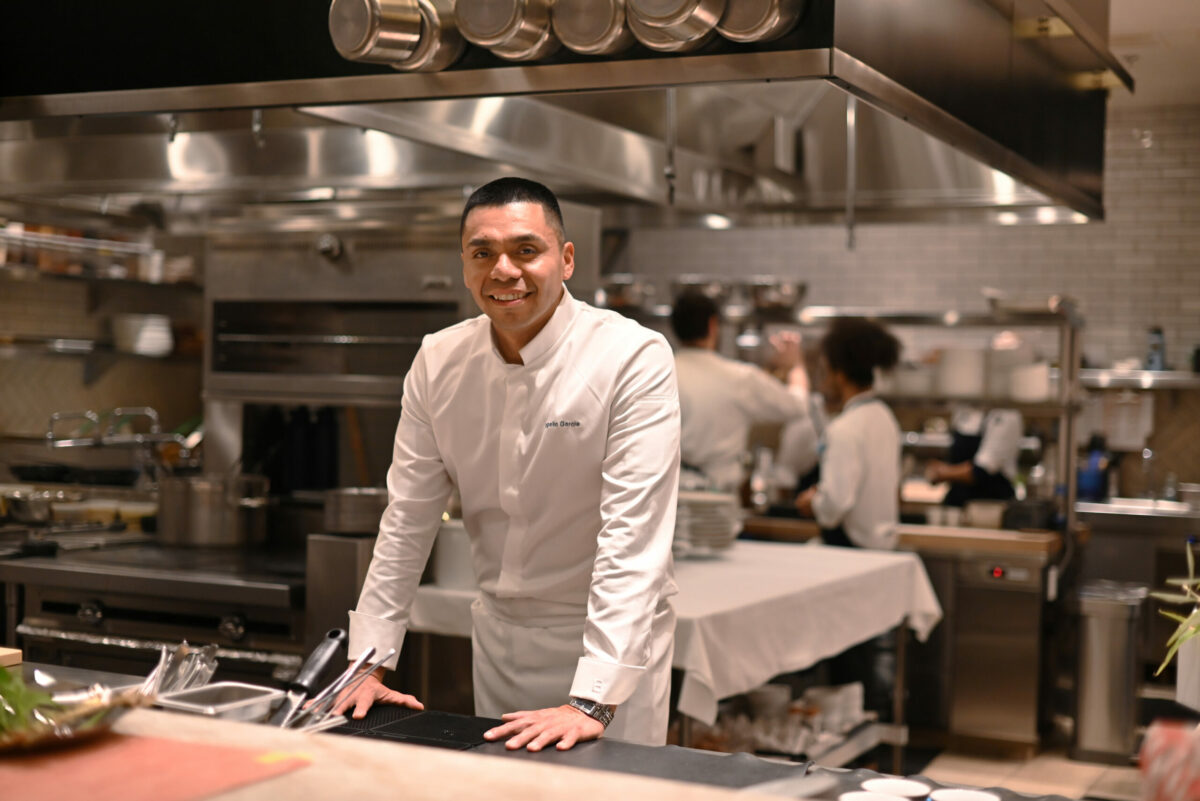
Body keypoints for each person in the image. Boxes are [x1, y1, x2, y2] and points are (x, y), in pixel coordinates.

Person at [332, 177, 681, 751]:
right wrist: (367, 663)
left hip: (609, 655)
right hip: (498, 636)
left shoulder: (631, 356)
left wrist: (591, 698)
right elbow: (408, 519)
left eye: (525, 250)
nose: (503, 270)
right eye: (482, 253)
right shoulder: (439, 359)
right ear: (465, 265)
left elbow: (633, 538)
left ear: (565, 260)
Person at [671, 289, 812, 492]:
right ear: (713, 325)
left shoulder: (662, 372)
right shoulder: (739, 377)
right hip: (718, 496)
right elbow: (798, 406)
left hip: (670, 494)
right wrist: (795, 365)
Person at [794, 317, 902, 550]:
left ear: (840, 374)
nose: (824, 381)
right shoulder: (884, 416)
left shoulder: (845, 428)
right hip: (883, 549)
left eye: (826, 371)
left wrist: (813, 502)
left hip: (852, 550)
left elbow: (835, 504)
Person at [924, 405, 1023, 508]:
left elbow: (981, 471)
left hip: (990, 504)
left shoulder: (1007, 415)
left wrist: (943, 472)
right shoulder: (963, 410)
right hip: (958, 501)